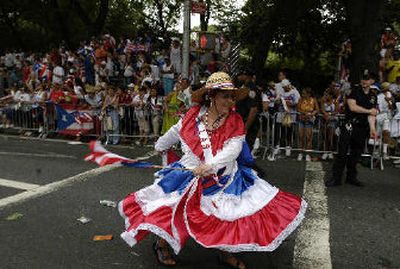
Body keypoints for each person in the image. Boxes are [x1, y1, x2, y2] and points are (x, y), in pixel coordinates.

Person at [118, 72, 307, 268]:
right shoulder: (192, 116)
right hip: (189, 173)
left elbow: (233, 149)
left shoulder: (235, 121)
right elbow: (176, 131)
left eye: (232, 96)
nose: (230, 101)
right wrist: (160, 145)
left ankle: (225, 252)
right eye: (225, 96)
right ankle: (162, 244)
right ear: (212, 96)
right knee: (173, 208)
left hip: (222, 175)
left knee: (224, 215)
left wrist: (210, 166)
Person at [326, 72, 378, 187]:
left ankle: (351, 177)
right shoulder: (353, 91)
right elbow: (352, 107)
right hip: (349, 125)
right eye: (363, 78)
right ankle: (336, 178)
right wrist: (369, 111)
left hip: (362, 128)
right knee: (342, 152)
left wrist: (372, 129)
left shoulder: (373, 96)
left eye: (367, 79)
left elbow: (372, 114)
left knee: (356, 153)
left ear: (372, 81)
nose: (364, 81)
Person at [297, 87, 319, 161]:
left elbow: (317, 109)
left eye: (304, 93)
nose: (302, 95)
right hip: (301, 120)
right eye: (302, 93)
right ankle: (301, 153)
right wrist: (304, 113)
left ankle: (308, 154)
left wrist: (313, 113)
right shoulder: (301, 99)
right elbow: (298, 109)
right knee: (301, 136)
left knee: (308, 137)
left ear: (308, 94)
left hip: (309, 121)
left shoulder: (313, 100)